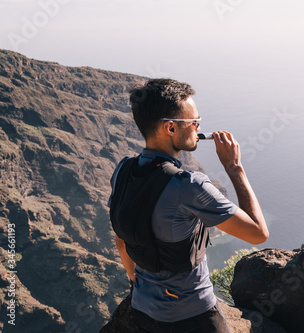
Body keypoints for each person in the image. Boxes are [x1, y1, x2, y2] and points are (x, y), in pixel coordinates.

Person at [108, 78, 269, 333]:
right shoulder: (187, 185)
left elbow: (121, 241)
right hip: (193, 316)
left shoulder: (123, 170)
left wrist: (136, 282)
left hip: (142, 312)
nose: (197, 127)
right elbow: (258, 233)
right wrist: (234, 168)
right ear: (170, 128)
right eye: (193, 122)